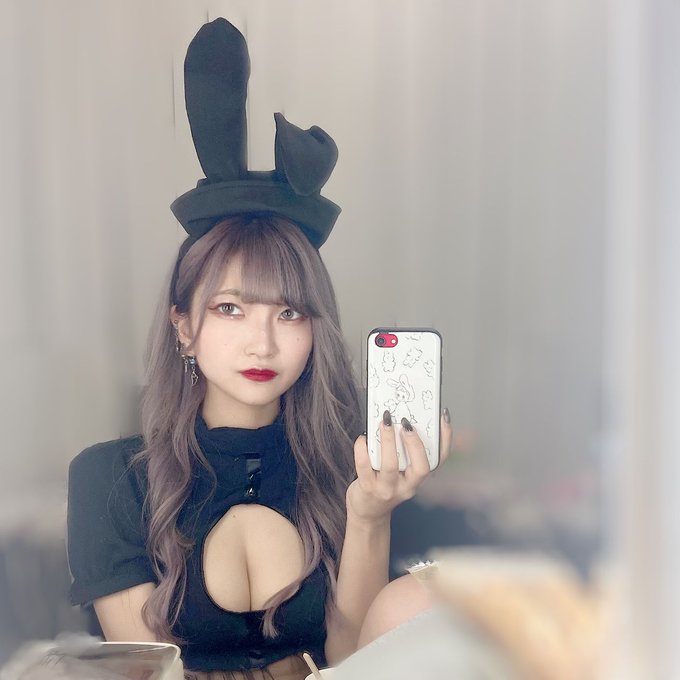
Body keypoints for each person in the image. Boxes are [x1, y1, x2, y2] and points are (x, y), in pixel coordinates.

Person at [66, 17, 452, 680]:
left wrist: (369, 514)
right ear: (183, 326)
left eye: (289, 312)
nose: (262, 341)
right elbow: (148, 671)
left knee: (424, 598)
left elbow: (353, 663)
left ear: (314, 328)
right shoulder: (113, 480)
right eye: (230, 308)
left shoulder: (350, 463)